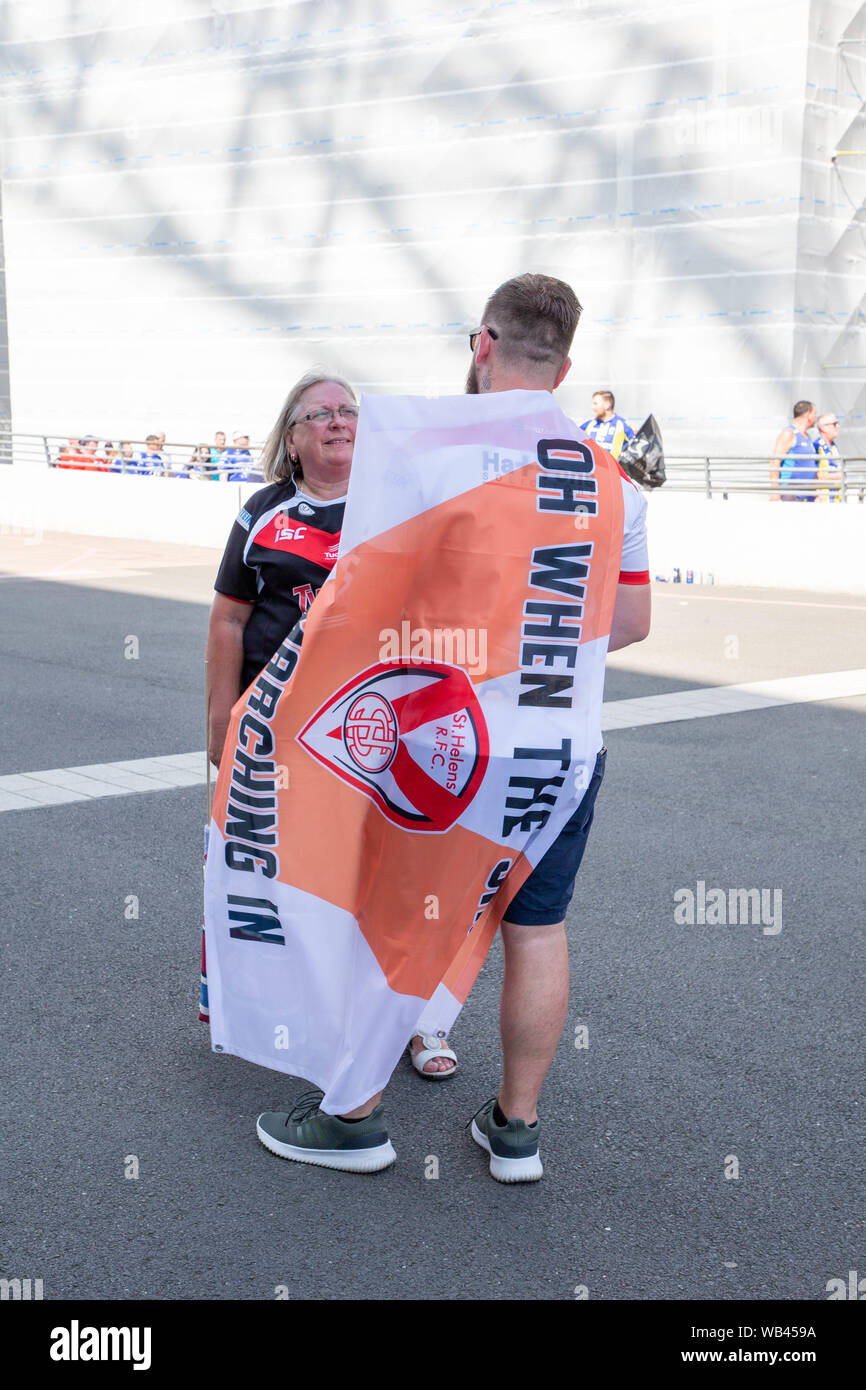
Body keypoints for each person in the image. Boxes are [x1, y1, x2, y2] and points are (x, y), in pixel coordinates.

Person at [256, 273, 652, 1179]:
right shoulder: (613, 479)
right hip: (562, 745)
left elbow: (362, 609)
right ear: (565, 362)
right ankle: (517, 1131)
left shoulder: (427, 454)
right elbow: (629, 624)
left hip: (445, 740)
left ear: (483, 344)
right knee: (538, 929)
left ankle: (355, 1116)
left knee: (391, 915)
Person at [770, 400, 817, 500]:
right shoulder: (789, 433)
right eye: (814, 414)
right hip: (791, 493)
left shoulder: (807, 437)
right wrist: (775, 492)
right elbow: (774, 462)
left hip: (807, 495)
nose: (815, 418)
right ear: (808, 414)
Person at [580, 390, 634, 461]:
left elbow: (637, 448)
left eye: (595, 404)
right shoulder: (588, 425)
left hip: (614, 471)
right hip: (593, 470)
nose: (592, 407)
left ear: (607, 405)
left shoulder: (623, 425)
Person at [814, 413, 843, 503]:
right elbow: (814, 475)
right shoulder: (817, 446)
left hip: (835, 498)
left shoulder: (833, 446)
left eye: (837, 423)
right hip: (824, 500)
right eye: (834, 424)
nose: (837, 426)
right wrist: (839, 476)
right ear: (823, 428)